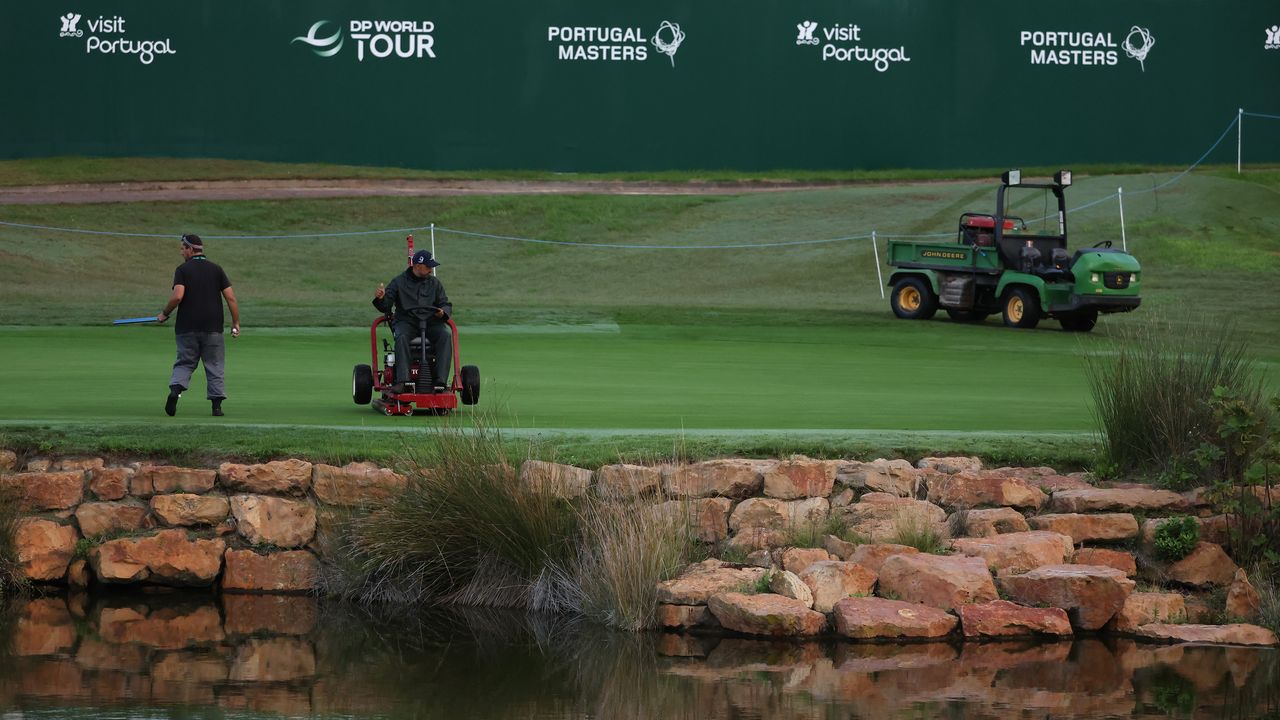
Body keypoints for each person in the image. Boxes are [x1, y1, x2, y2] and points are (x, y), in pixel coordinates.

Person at [157, 234, 240, 416]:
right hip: (213, 327)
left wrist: (165, 313)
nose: (181, 252)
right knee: (214, 365)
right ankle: (216, 408)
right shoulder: (216, 270)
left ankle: (175, 392)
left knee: (185, 363)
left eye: (182, 249)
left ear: (190, 249)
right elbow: (231, 298)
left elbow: (178, 296)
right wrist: (235, 322)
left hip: (187, 327)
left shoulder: (183, 270)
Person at [374, 250, 453, 393]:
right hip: (407, 321)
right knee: (402, 336)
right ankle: (402, 380)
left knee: (445, 335)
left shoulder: (435, 283)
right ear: (417, 265)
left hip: (431, 322)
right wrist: (381, 298)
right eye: (428, 266)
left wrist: (443, 312)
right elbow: (386, 305)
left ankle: (440, 381)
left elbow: (445, 303)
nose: (431, 269)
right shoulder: (398, 282)